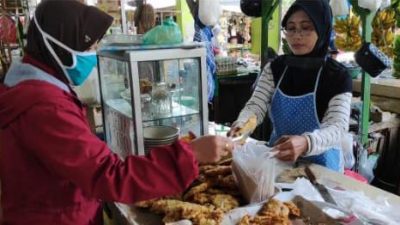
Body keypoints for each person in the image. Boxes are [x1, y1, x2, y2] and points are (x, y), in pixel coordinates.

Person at [0, 1, 234, 224]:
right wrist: (191, 154)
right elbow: (108, 176)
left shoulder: (29, 88)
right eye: (88, 48)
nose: (93, 55)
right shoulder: (45, 107)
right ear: (58, 46)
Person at [228, 0, 352, 172]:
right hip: (279, 159)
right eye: (291, 28)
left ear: (322, 29)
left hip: (321, 167)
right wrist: (242, 124)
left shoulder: (337, 75)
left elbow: (337, 126)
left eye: (306, 27)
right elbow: (256, 106)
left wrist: (306, 143)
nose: (297, 35)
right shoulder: (275, 68)